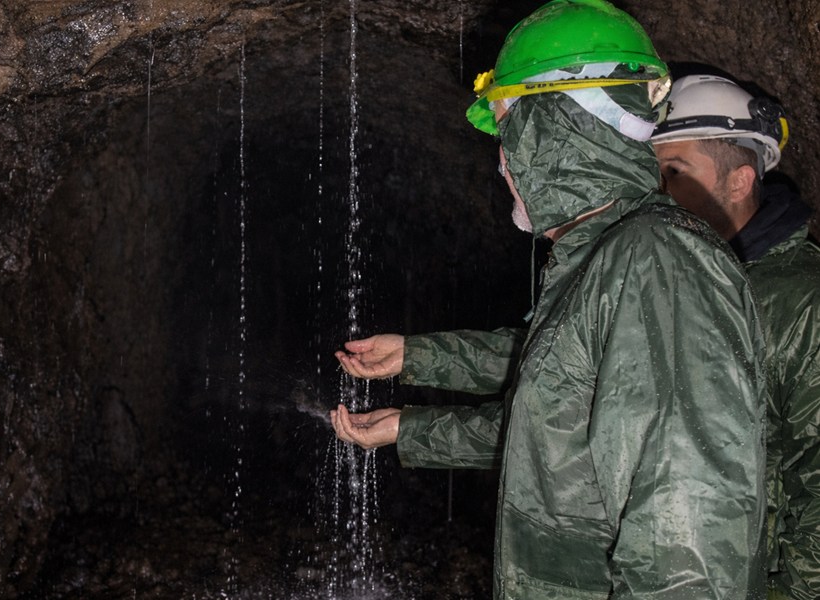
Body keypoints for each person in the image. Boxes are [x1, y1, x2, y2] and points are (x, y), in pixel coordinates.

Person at [331, 1, 768, 597]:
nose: (503, 164)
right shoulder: (606, 257)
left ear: (558, 133)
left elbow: (687, 537)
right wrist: (415, 399)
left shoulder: (657, 261)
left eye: (510, 133)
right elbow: (561, 431)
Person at [651, 73, 820, 600]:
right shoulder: (677, 276)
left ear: (740, 182)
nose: (657, 194)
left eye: (674, 173)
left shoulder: (802, 302)